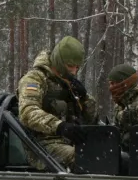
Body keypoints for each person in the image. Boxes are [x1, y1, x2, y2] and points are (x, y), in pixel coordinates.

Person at [17, 36, 98, 169]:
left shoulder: (68, 82)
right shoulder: (35, 78)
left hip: (70, 143)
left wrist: (84, 98)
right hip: (42, 146)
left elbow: (92, 119)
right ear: (59, 61)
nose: (74, 71)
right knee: (88, 158)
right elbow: (28, 112)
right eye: (70, 66)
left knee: (109, 154)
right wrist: (60, 126)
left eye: (77, 67)